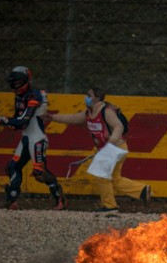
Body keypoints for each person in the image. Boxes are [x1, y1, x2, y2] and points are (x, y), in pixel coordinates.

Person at [45, 86, 152, 214]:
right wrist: (52, 117)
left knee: (101, 175)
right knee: (115, 178)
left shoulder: (105, 111)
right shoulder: (89, 113)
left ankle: (110, 207)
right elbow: (73, 118)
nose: (86, 97)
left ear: (97, 98)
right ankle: (142, 190)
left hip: (114, 148)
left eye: (89, 95)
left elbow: (119, 126)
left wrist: (110, 144)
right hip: (113, 148)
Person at [0, 66, 66, 210]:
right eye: (13, 83)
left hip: (37, 139)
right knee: (13, 166)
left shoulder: (34, 96)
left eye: (18, 82)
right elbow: (17, 120)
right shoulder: (19, 96)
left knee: (39, 173)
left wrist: (5, 121)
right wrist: (10, 123)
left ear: (26, 81)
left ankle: (60, 198)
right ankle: (11, 200)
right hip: (26, 138)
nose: (15, 85)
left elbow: (23, 121)